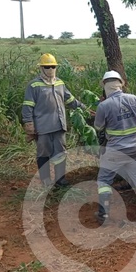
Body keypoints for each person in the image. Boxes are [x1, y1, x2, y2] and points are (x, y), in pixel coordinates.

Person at [94, 70, 136, 224]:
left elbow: (98, 127)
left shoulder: (104, 106)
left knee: (103, 180)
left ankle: (104, 215)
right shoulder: (134, 99)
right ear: (120, 84)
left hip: (115, 151)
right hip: (134, 150)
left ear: (105, 87)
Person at [22, 53, 90, 188]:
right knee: (43, 153)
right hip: (42, 127)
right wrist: (29, 124)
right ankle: (45, 180)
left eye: (53, 66)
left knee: (61, 153)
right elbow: (27, 106)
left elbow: (70, 100)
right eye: (47, 67)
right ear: (41, 68)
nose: (50, 69)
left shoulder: (59, 83)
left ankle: (60, 179)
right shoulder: (34, 85)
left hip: (59, 125)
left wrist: (85, 109)